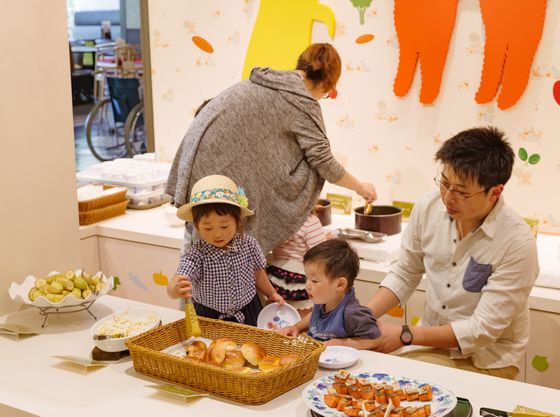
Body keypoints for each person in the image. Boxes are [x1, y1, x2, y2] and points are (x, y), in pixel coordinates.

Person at [166, 43, 377, 257]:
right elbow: (323, 162)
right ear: (327, 83)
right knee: (219, 262)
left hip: (193, 168)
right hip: (218, 183)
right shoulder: (301, 102)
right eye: (329, 93)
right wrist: (361, 187)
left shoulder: (267, 82)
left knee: (200, 253)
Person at [366, 126, 539, 379]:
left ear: (495, 192)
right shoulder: (427, 207)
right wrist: (362, 317)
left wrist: (404, 335)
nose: (448, 197)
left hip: (487, 358)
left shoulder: (517, 242)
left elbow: (482, 329)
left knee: (405, 387)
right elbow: (405, 273)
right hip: (429, 340)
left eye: (461, 192)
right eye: (444, 183)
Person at [167, 175, 284, 326]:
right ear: (197, 226)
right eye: (208, 228)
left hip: (248, 310)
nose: (217, 234)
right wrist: (174, 289)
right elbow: (179, 279)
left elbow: (258, 274)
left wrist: (271, 294)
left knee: (250, 347)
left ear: (238, 221)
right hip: (208, 315)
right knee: (212, 349)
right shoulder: (197, 254)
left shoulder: (249, 244)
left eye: (224, 226)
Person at [280, 239, 381, 349]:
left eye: (314, 281)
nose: (307, 285)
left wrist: (343, 344)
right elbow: (314, 316)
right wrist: (296, 328)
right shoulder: (324, 300)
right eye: (306, 278)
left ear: (340, 284)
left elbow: (375, 339)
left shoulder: (351, 313)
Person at [267, 211, 327, 316]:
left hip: (275, 277)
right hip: (300, 279)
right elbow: (321, 255)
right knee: (301, 322)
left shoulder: (277, 219)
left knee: (279, 318)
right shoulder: (310, 221)